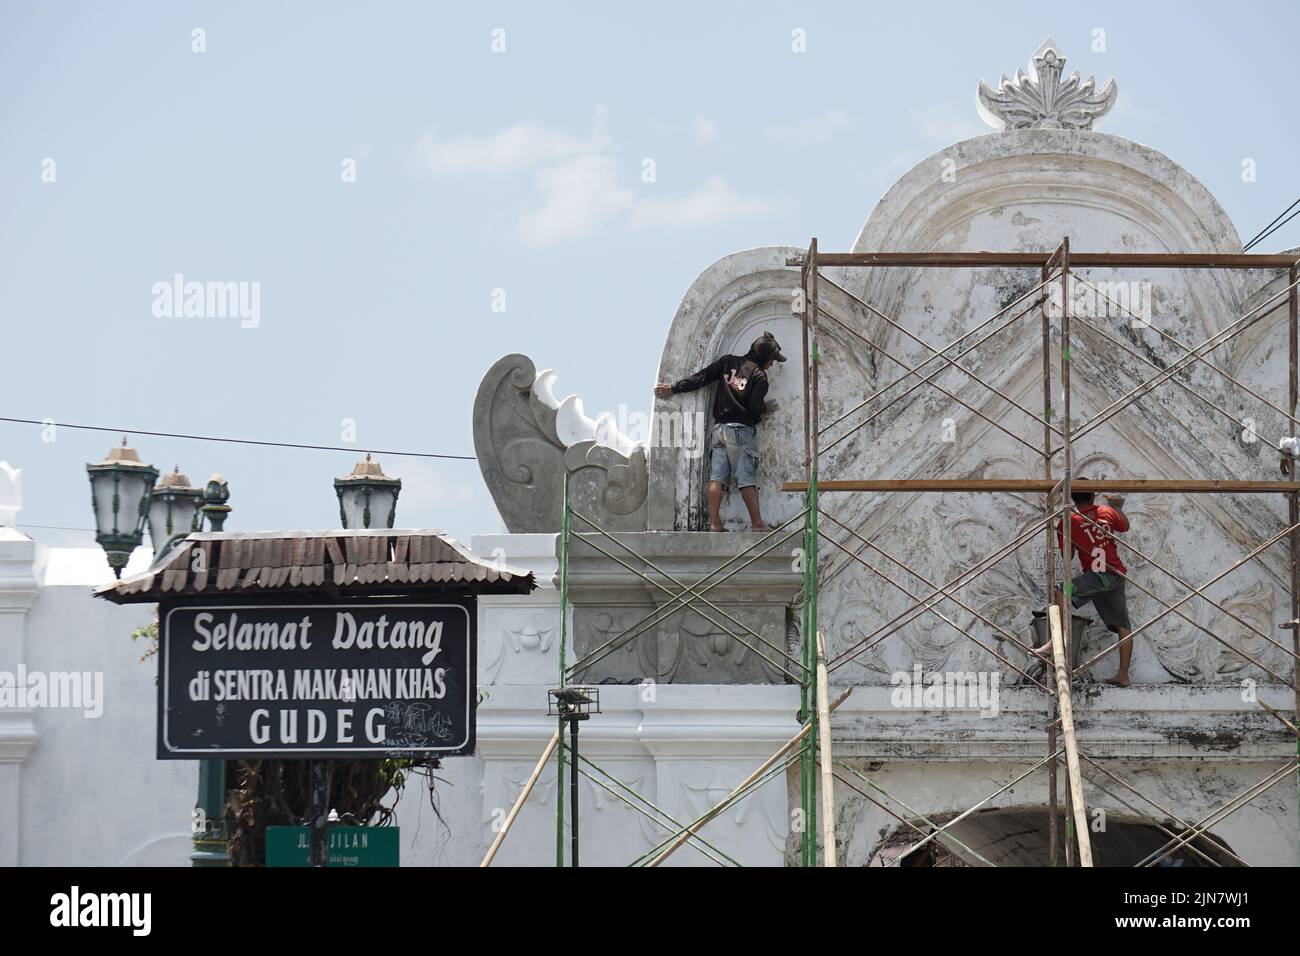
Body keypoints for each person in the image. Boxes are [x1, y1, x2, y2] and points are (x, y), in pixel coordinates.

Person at [654, 332, 786, 532]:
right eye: (771, 360)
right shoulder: (759, 376)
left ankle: (714, 524)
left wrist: (674, 388)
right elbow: (754, 407)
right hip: (741, 433)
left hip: (719, 430)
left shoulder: (727, 363)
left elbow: (702, 378)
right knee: (746, 477)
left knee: (717, 478)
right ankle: (757, 524)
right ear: (763, 357)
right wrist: (765, 409)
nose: (772, 364)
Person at [1032, 486, 1134, 686]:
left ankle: (1056, 641)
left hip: (1099, 577)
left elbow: (1067, 556)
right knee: (1123, 626)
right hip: (1115, 575)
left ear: (1072, 498)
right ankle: (1123, 674)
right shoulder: (1107, 512)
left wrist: (1068, 534)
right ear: (1094, 495)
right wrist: (1118, 507)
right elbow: (1125, 526)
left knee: (1062, 590)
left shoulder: (1068, 522)